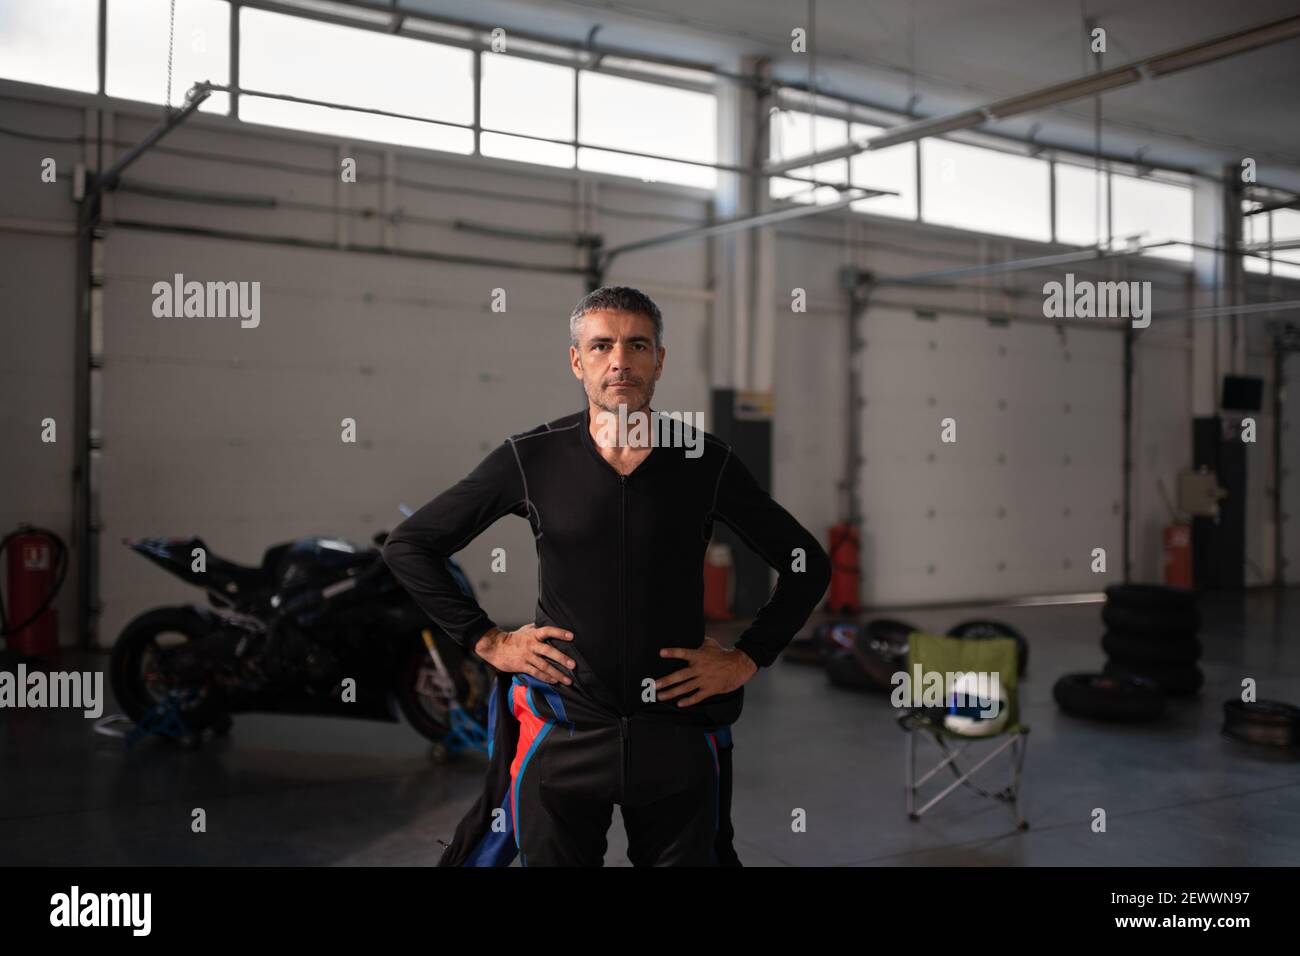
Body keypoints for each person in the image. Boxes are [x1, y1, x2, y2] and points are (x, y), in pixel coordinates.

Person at [382, 286, 831, 866]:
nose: (620, 360)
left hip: (675, 730)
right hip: (564, 727)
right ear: (578, 361)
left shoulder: (705, 461)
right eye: (601, 346)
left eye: (637, 344)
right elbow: (410, 545)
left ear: (659, 360)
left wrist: (747, 658)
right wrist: (487, 640)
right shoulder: (532, 458)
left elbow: (806, 564)